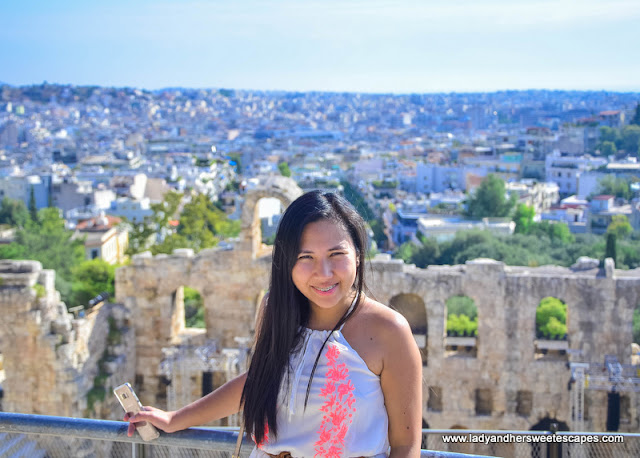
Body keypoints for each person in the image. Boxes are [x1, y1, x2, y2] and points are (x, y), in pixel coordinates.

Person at [126, 190, 423, 457]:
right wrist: (175, 419)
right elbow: (259, 381)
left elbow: (405, 445)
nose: (324, 272)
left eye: (337, 254)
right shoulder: (275, 309)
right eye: (306, 257)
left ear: (357, 255)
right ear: (287, 262)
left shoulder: (388, 331)